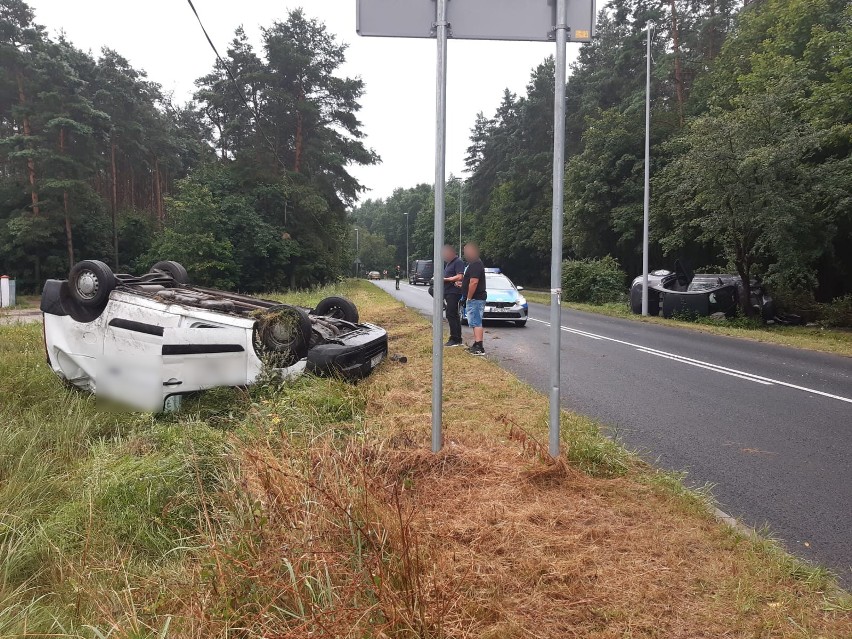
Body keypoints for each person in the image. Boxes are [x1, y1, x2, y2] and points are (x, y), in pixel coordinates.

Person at [461, 242, 487, 355]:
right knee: (474, 321)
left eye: (466, 252)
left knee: (476, 322)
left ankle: (479, 346)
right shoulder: (474, 263)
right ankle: (477, 343)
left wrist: (469, 298)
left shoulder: (476, 264)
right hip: (475, 298)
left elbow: (474, 282)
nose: (465, 254)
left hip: (475, 298)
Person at [441, 244, 466, 347]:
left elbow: (460, 276)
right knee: (454, 315)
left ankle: (454, 338)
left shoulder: (458, 262)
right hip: (448, 291)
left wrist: (446, 279)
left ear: (451, 253)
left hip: (454, 292)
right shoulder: (449, 263)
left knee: (451, 314)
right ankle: (457, 338)